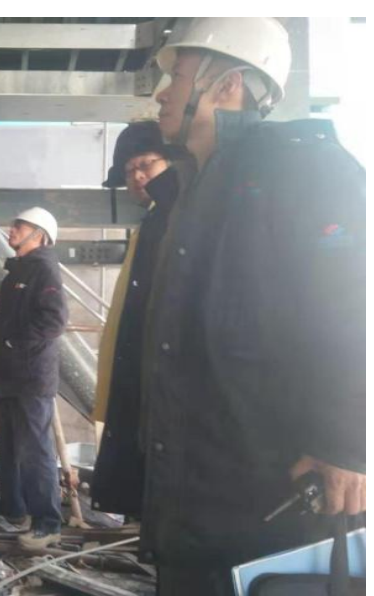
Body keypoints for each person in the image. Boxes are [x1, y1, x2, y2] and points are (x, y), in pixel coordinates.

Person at [140, 18, 365, 593]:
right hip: (191, 486)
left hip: (266, 493)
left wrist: (345, 445)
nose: (162, 93)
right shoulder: (182, 194)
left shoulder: (305, 169)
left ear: (227, 84)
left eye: (177, 76)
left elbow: (349, 305)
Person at [90, 121, 186, 516]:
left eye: (146, 164)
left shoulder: (179, 219)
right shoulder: (153, 221)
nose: (138, 176)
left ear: (173, 162)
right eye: (129, 171)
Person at [0, 207, 68, 550]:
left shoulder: (44, 268)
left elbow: (54, 320)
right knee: (9, 446)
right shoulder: (17, 271)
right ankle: (12, 509)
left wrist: (13, 344)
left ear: (40, 235)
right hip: (11, 373)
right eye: (14, 224)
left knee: (35, 449)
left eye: (20, 225)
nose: (12, 229)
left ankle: (47, 523)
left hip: (31, 375)